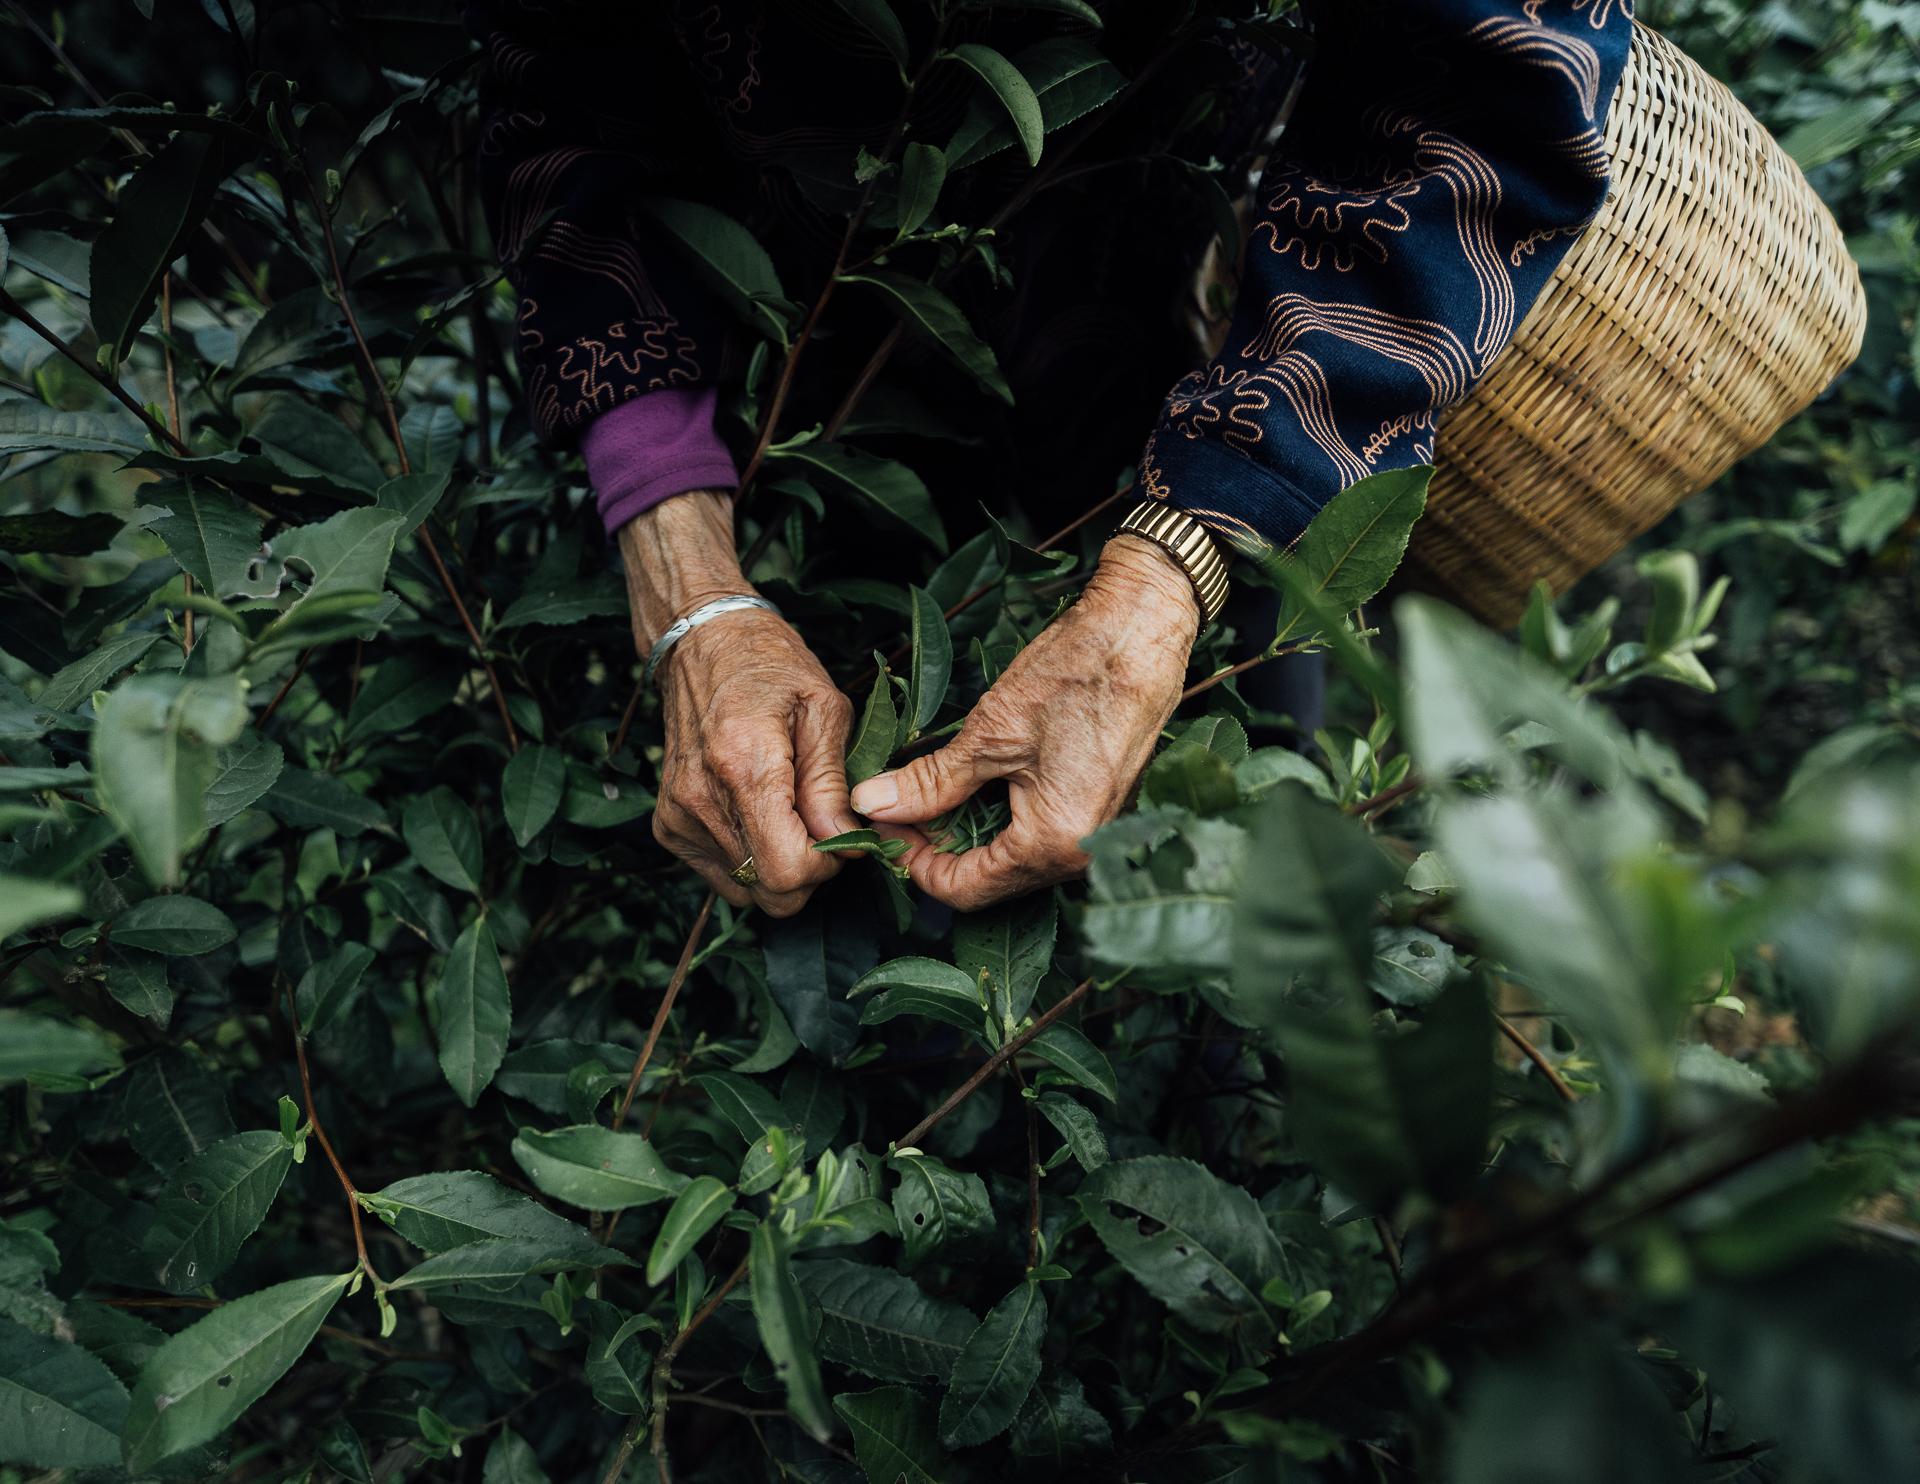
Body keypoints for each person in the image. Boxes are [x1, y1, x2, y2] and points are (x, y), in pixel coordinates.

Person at [472, 0, 1633, 916]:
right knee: (850, 843)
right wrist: (688, 577)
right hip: (818, 341)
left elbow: (1495, 86)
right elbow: (562, 74)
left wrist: (1171, 573)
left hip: (1204, 312)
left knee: (1245, 864)